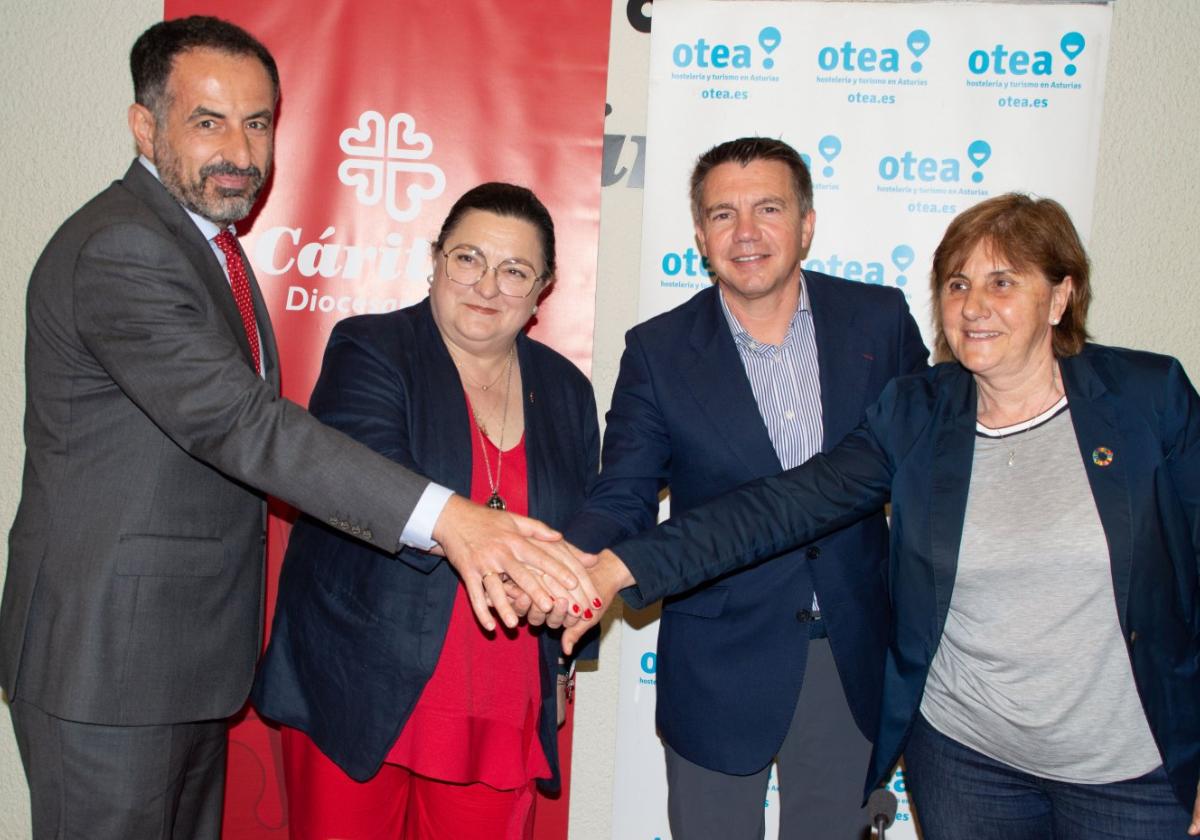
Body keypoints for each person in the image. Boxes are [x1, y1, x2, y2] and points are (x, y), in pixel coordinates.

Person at [0, 17, 590, 840]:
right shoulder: (123, 247)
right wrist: (452, 518)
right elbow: (242, 425)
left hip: (185, 662)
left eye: (259, 122)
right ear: (145, 125)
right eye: (208, 121)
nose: (240, 149)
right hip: (110, 666)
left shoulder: (214, 251)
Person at [566, 193, 1200, 839]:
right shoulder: (919, 413)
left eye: (1002, 281)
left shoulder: (1147, 400)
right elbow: (787, 505)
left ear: (1059, 297)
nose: (975, 306)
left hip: (1128, 771)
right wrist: (619, 565)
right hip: (968, 764)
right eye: (958, 283)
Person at [565, 137, 928, 839]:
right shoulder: (657, 350)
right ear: (700, 234)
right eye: (723, 214)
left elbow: (922, 478)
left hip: (853, 657)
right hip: (719, 663)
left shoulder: (879, 322)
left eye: (769, 207)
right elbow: (624, 495)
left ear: (807, 223)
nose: (747, 232)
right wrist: (572, 575)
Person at [252, 182, 598, 840]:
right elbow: (368, 476)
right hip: (359, 684)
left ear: (543, 289)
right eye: (469, 259)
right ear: (436, 259)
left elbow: (584, 535)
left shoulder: (566, 390)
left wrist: (559, 663)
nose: (487, 286)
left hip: (499, 700)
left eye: (514, 271)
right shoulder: (372, 348)